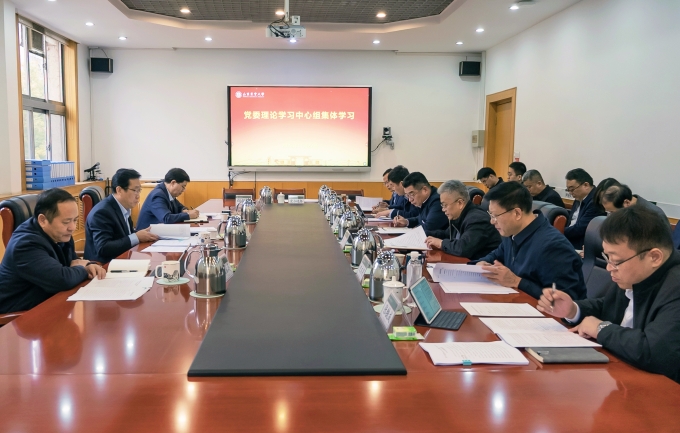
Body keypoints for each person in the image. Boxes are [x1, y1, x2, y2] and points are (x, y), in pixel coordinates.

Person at [537, 206, 680, 383]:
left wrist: (601, 328)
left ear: (654, 257)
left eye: (616, 261)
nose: (609, 267)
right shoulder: (636, 274)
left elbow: (654, 352)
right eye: (607, 258)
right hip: (622, 374)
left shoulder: (675, 286)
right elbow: (608, 307)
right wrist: (573, 310)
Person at [472, 181, 586, 300]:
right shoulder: (512, 233)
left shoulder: (553, 246)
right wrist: (482, 264)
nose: (492, 221)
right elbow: (495, 256)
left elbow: (564, 301)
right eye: (490, 215)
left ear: (517, 213)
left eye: (495, 216)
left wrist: (517, 282)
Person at [0, 189, 106, 314]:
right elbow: (63, 280)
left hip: (51, 302)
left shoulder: (60, 233)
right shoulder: (25, 245)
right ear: (42, 220)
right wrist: (83, 269)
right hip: (20, 316)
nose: (72, 227)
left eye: (75, 220)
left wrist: (87, 265)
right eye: (66, 221)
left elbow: (73, 262)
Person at [84, 168, 159, 263]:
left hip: (123, 259)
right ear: (119, 190)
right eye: (135, 190)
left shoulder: (123, 207)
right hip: (104, 265)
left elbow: (125, 235)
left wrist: (143, 234)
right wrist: (136, 237)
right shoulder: (102, 212)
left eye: (139, 190)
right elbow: (103, 247)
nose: (138, 196)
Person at [425, 180, 501, 259]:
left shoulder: (477, 219)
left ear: (460, 203)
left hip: (483, 264)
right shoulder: (458, 216)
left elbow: (463, 248)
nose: (443, 209)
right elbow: (446, 234)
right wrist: (425, 234)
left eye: (445, 205)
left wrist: (441, 243)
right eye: (442, 205)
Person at [564, 168, 606, 249]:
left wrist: (559, 231)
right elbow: (571, 222)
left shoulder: (595, 202)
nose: (570, 193)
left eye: (572, 189)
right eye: (568, 190)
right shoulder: (578, 198)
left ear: (586, 185)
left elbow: (580, 229)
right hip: (570, 238)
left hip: (581, 244)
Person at [600, 184, 669, 224]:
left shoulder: (654, 216)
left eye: (612, 212)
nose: (611, 216)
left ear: (627, 203)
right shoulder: (627, 211)